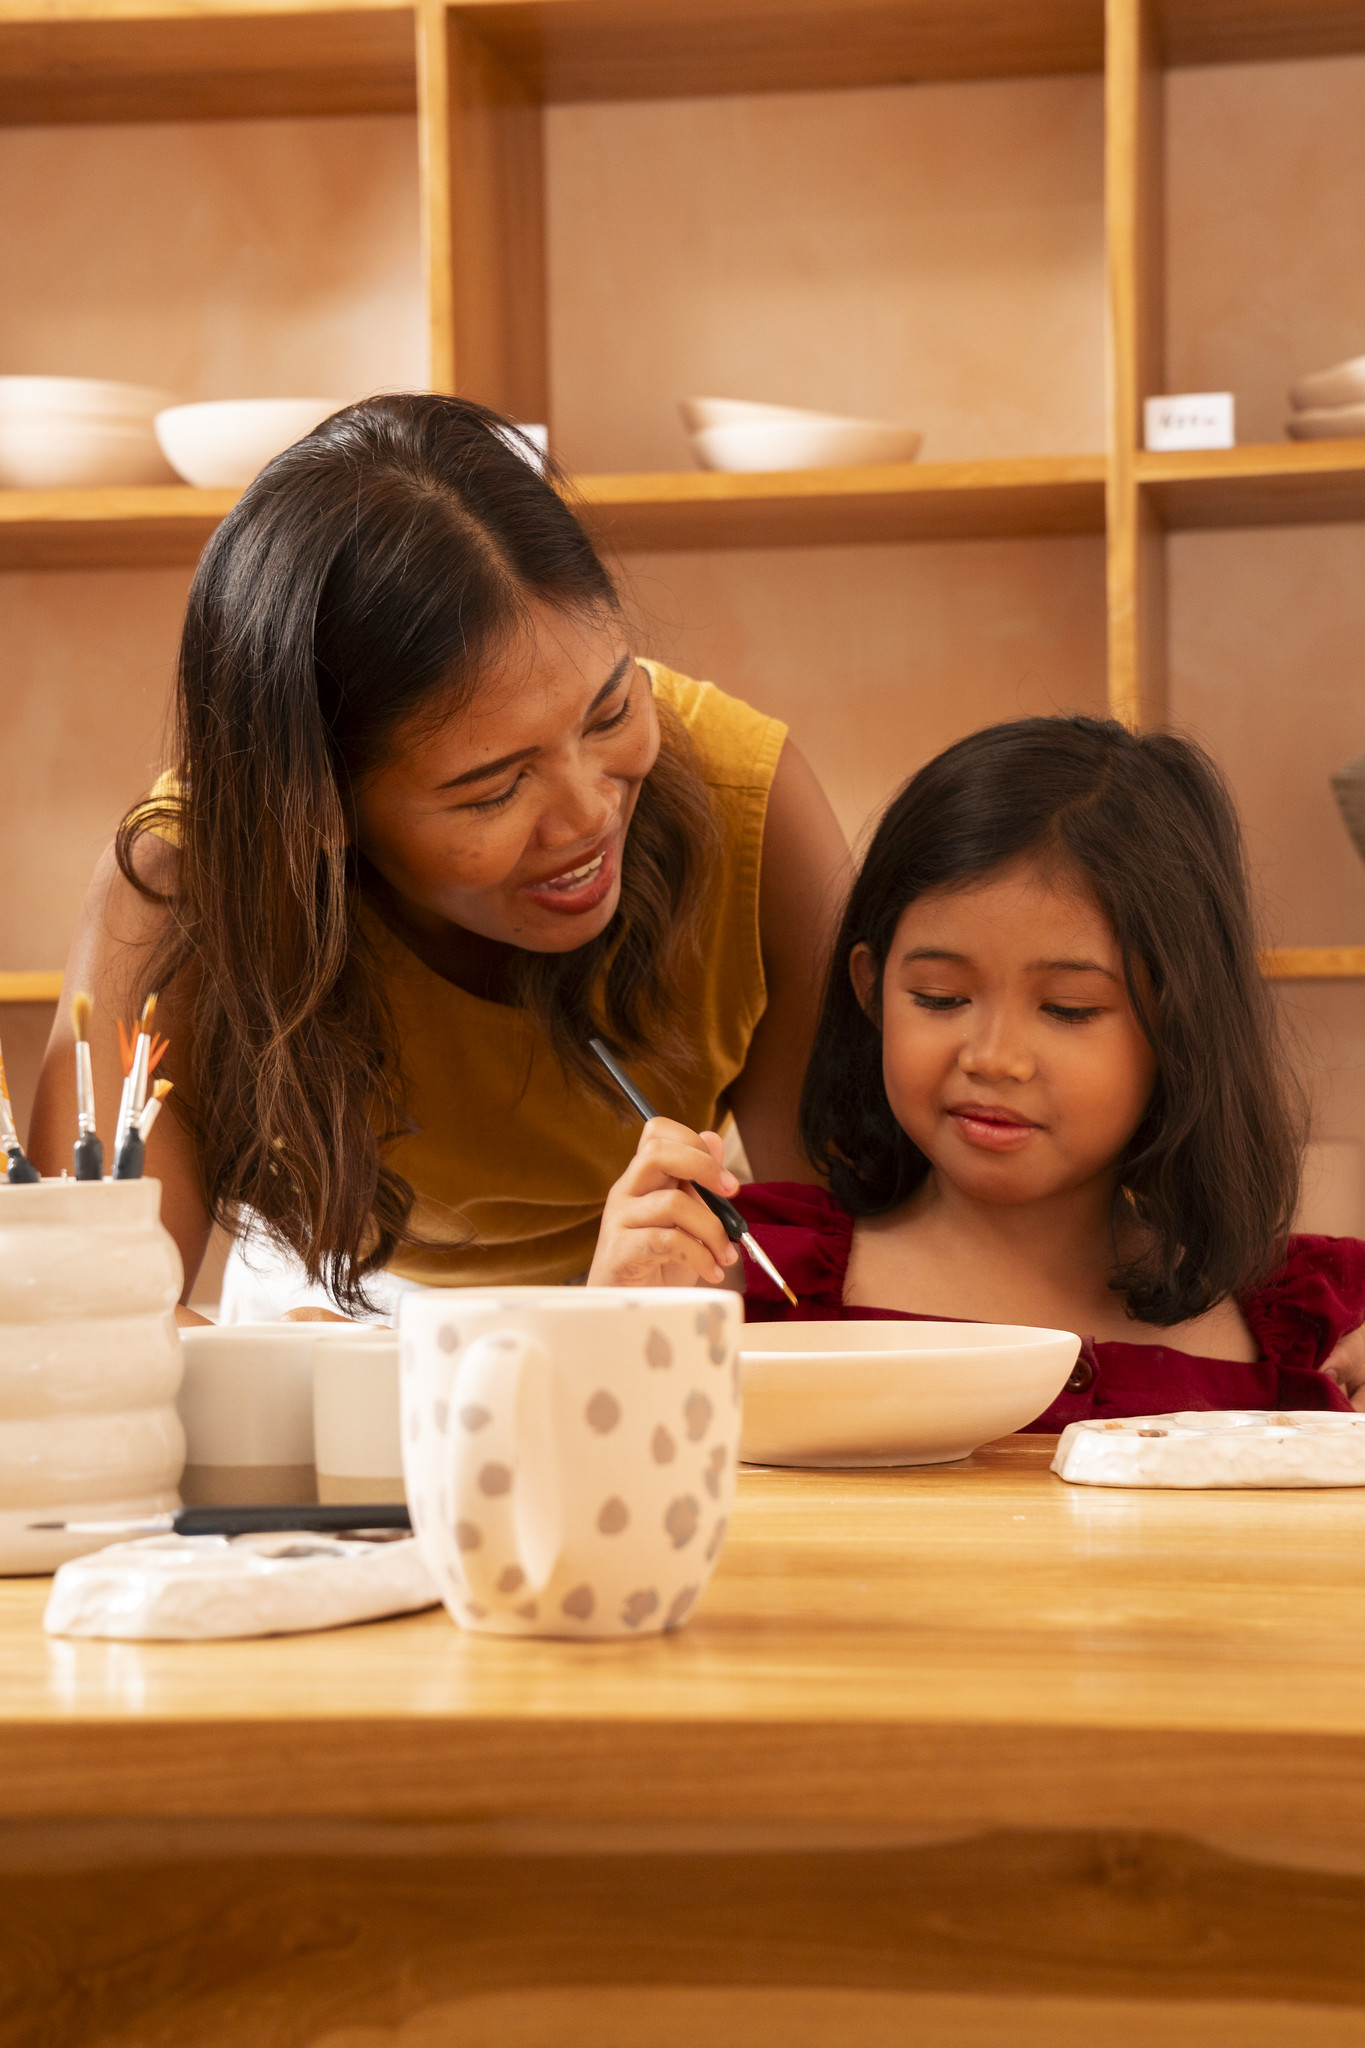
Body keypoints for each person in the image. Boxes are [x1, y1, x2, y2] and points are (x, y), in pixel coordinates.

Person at [29, 394, 848, 1320]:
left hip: (664, 1294)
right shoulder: (184, 877)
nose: (585, 814)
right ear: (314, 808)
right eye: (493, 788)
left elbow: (831, 1256)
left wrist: (623, 1315)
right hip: (325, 1308)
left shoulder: (748, 802)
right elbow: (85, 1311)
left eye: (612, 711)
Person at [589, 714, 1365, 1426]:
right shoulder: (735, 1276)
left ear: (1178, 1025)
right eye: (940, 997)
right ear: (871, 990)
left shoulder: (1318, 1319)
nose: (992, 1057)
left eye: (1067, 1009)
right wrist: (605, 1333)